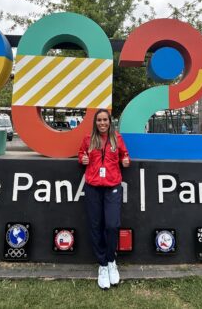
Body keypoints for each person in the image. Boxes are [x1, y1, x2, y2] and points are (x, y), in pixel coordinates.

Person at [78, 108, 130, 290]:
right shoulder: (88, 139)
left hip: (112, 187)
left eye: (105, 120)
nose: (102, 123)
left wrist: (126, 160)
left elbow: (125, 154)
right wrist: (82, 159)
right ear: (95, 122)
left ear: (110, 122)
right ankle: (102, 265)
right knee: (95, 226)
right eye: (99, 120)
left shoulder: (117, 138)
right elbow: (81, 154)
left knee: (112, 225)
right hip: (92, 187)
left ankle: (111, 261)